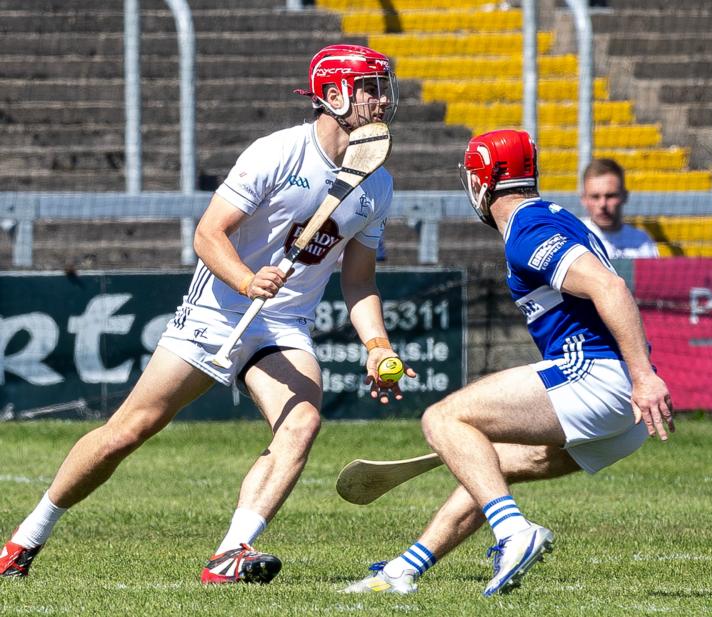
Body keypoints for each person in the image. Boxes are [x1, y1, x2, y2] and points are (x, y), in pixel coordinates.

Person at [1, 44, 413, 584]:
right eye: (370, 88)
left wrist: (377, 346)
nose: (382, 99)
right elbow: (207, 234)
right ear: (333, 95)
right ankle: (25, 538)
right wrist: (246, 278)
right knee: (127, 432)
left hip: (283, 325)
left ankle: (231, 553)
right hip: (216, 311)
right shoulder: (277, 153)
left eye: (385, 87)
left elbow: (359, 280)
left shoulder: (377, 183)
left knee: (302, 421)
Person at [342, 130, 674, 597]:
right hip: (624, 412)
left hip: (598, 377)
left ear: (483, 181)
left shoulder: (528, 231)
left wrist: (643, 377)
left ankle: (514, 533)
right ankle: (404, 570)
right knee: (487, 468)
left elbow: (611, 288)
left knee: (444, 418)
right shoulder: (552, 218)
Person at [580, 158, 659, 258]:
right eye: (595, 197)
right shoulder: (574, 239)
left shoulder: (641, 241)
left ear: (625, 196)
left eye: (610, 196)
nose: (602, 204)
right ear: (583, 199)